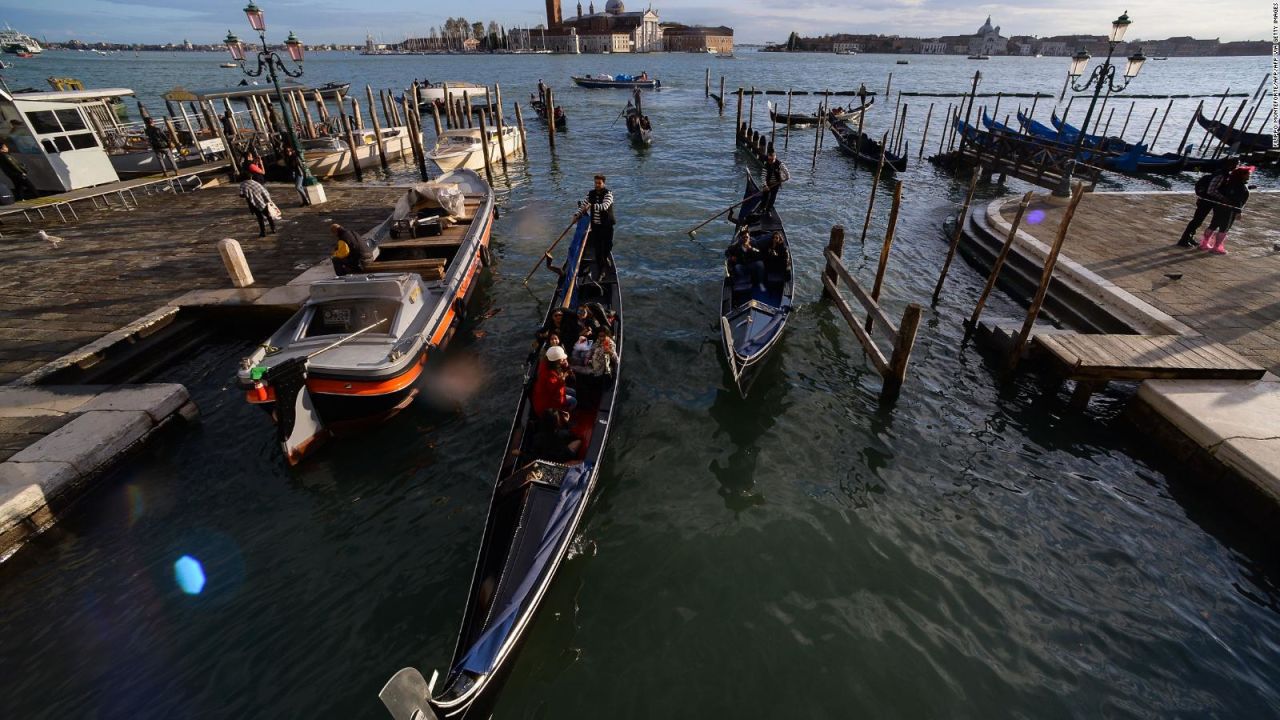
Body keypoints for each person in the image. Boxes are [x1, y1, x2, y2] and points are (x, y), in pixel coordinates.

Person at [1177, 158, 1238, 248]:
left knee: (1199, 221)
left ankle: (1190, 237)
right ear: (1230, 165)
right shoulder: (1221, 175)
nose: (1237, 166)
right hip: (1206, 201)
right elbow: (1211, 191)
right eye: (1236, 164)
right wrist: (1224, 199)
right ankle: (1184, 239)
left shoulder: (1224, 173)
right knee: (1196, 220)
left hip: (1208, 201)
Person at [1199, 165, 1252, 255]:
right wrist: (1238, 212)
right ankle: (1216, 247)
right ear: (1242, 175)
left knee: (1213, 224)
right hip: (1230, 210)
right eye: (1248, 174)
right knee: (1224, 229)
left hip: (1219, 207)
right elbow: (1237, 200)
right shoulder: (1241, 187)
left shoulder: (1229, 183)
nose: (1249, 176)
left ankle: (1204, 243)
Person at [577, 174, 615, 280]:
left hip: (607, 226)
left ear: (603, 183)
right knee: (598, 250)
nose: (597, 185)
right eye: (595, 183)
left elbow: (604, 206)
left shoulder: (608, 194)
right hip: (596, 226)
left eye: (599, 183)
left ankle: (606, 256)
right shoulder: (591, 194)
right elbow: (584, 206)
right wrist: (577, 215)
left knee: (608, 246)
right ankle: (602, 270)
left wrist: (592, 205)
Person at [532, 345, 577, 415]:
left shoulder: (545, 363)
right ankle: (564, 416)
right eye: (561, 359)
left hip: (549, 393)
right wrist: (562, 380)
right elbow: (558, 397)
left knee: (573, 392)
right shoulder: (549, 376)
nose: (563, 359)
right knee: (574, 401)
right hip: (548, 402)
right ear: (556, 361)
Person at [761, 149, 790, 214]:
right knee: (765, 196)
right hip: (768, 183)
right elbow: (763, 177)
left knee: (772, 197)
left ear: (775, 157)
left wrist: (787, 177)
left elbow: (786, 171)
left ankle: (768, 210)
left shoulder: (779, 164)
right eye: (769, 160)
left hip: (776, 183)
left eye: (772, 160)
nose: (770, 161)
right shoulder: (766, 166)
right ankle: (763, 208)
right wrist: (765, 185)